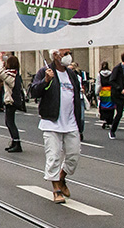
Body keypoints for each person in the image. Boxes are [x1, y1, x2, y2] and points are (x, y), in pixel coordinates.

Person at [30, 49, 84, 204]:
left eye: (69, 52)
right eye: (64, 52)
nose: (68, 55)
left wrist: (79, 125)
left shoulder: (71, 74)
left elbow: (75, 99)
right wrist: (45, 81)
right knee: (53, 156)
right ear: (55, 54)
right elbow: (33, 92)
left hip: (71, 122)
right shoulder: (45, 72)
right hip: (51, 122)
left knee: (74, 156)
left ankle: (61, 178)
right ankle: (56, 190)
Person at [0, 55, 25, 152]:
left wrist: (0, 61)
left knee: (10, 122)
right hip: (12, 100)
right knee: (9, 122)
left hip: (11, 101)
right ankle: (14, 142)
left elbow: (1, 73)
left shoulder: (11, 75)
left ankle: (17, 142)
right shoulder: (15, 74)